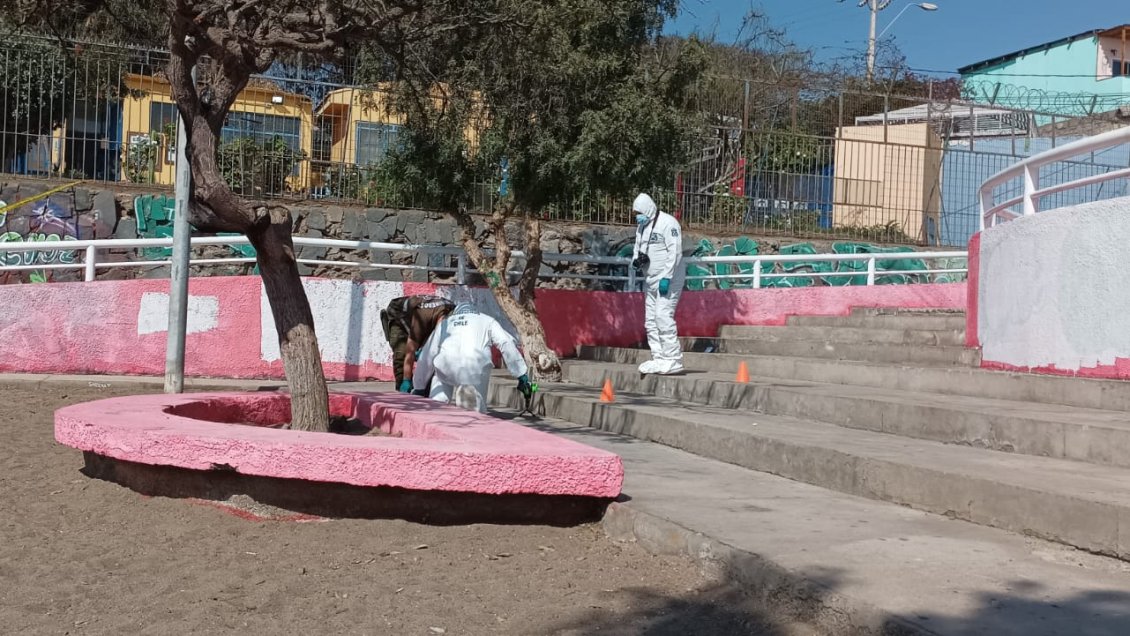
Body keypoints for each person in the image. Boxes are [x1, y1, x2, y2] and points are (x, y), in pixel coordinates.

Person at [412, 303, 531, 413]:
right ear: (475, 311)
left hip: (445, 367)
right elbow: (506, 342)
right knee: (472, 408)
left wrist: (419, 386)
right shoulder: (487, 320)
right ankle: (473, 412)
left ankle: (436, 405)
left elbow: (428, 353)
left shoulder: (446, 322)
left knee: (439, 386)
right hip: (473, 368)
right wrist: (521, 374)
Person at [631, 192, 685, 375]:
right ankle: (659, 357)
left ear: (648, 208)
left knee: (663, 316)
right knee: (651, 320)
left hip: (669, 280)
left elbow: (675, 252)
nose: (637, 216)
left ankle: (673, 358)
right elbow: (638, 248)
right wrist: (635, 262)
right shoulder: (642, 227)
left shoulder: (668, 223)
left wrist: (667, 276)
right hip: (651, 280)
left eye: (639, 212)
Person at [380, 295, 456, 393]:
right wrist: (406, 380)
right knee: (401, 352)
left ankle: (425, 390)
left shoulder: (454, 313)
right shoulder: (421, 317)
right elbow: (410, 352)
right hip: (398, 312)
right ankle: (402, 391)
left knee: (432, 351)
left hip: (428, 314)